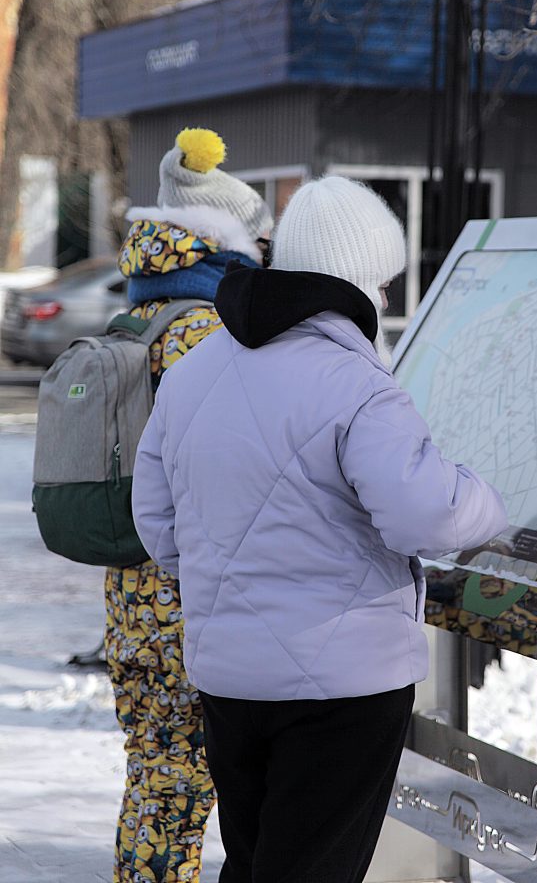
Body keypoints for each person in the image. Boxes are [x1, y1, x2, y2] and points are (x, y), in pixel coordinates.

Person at [132, 175, 507, 883]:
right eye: (385, 283)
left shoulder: (195, 371)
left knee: (255, 863)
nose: (389, 300)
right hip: (341, 690)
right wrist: (493, 502)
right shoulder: (357, 384)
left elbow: (158, 527)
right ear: (356, 281)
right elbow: (424, 514)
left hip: (229, 681)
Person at [105, 127, 273, 883]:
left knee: (153, 773)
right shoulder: (210, 335)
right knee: (181, 777)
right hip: (184, 588)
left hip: (128, 588)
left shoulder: (135, 318)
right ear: (226, 242)